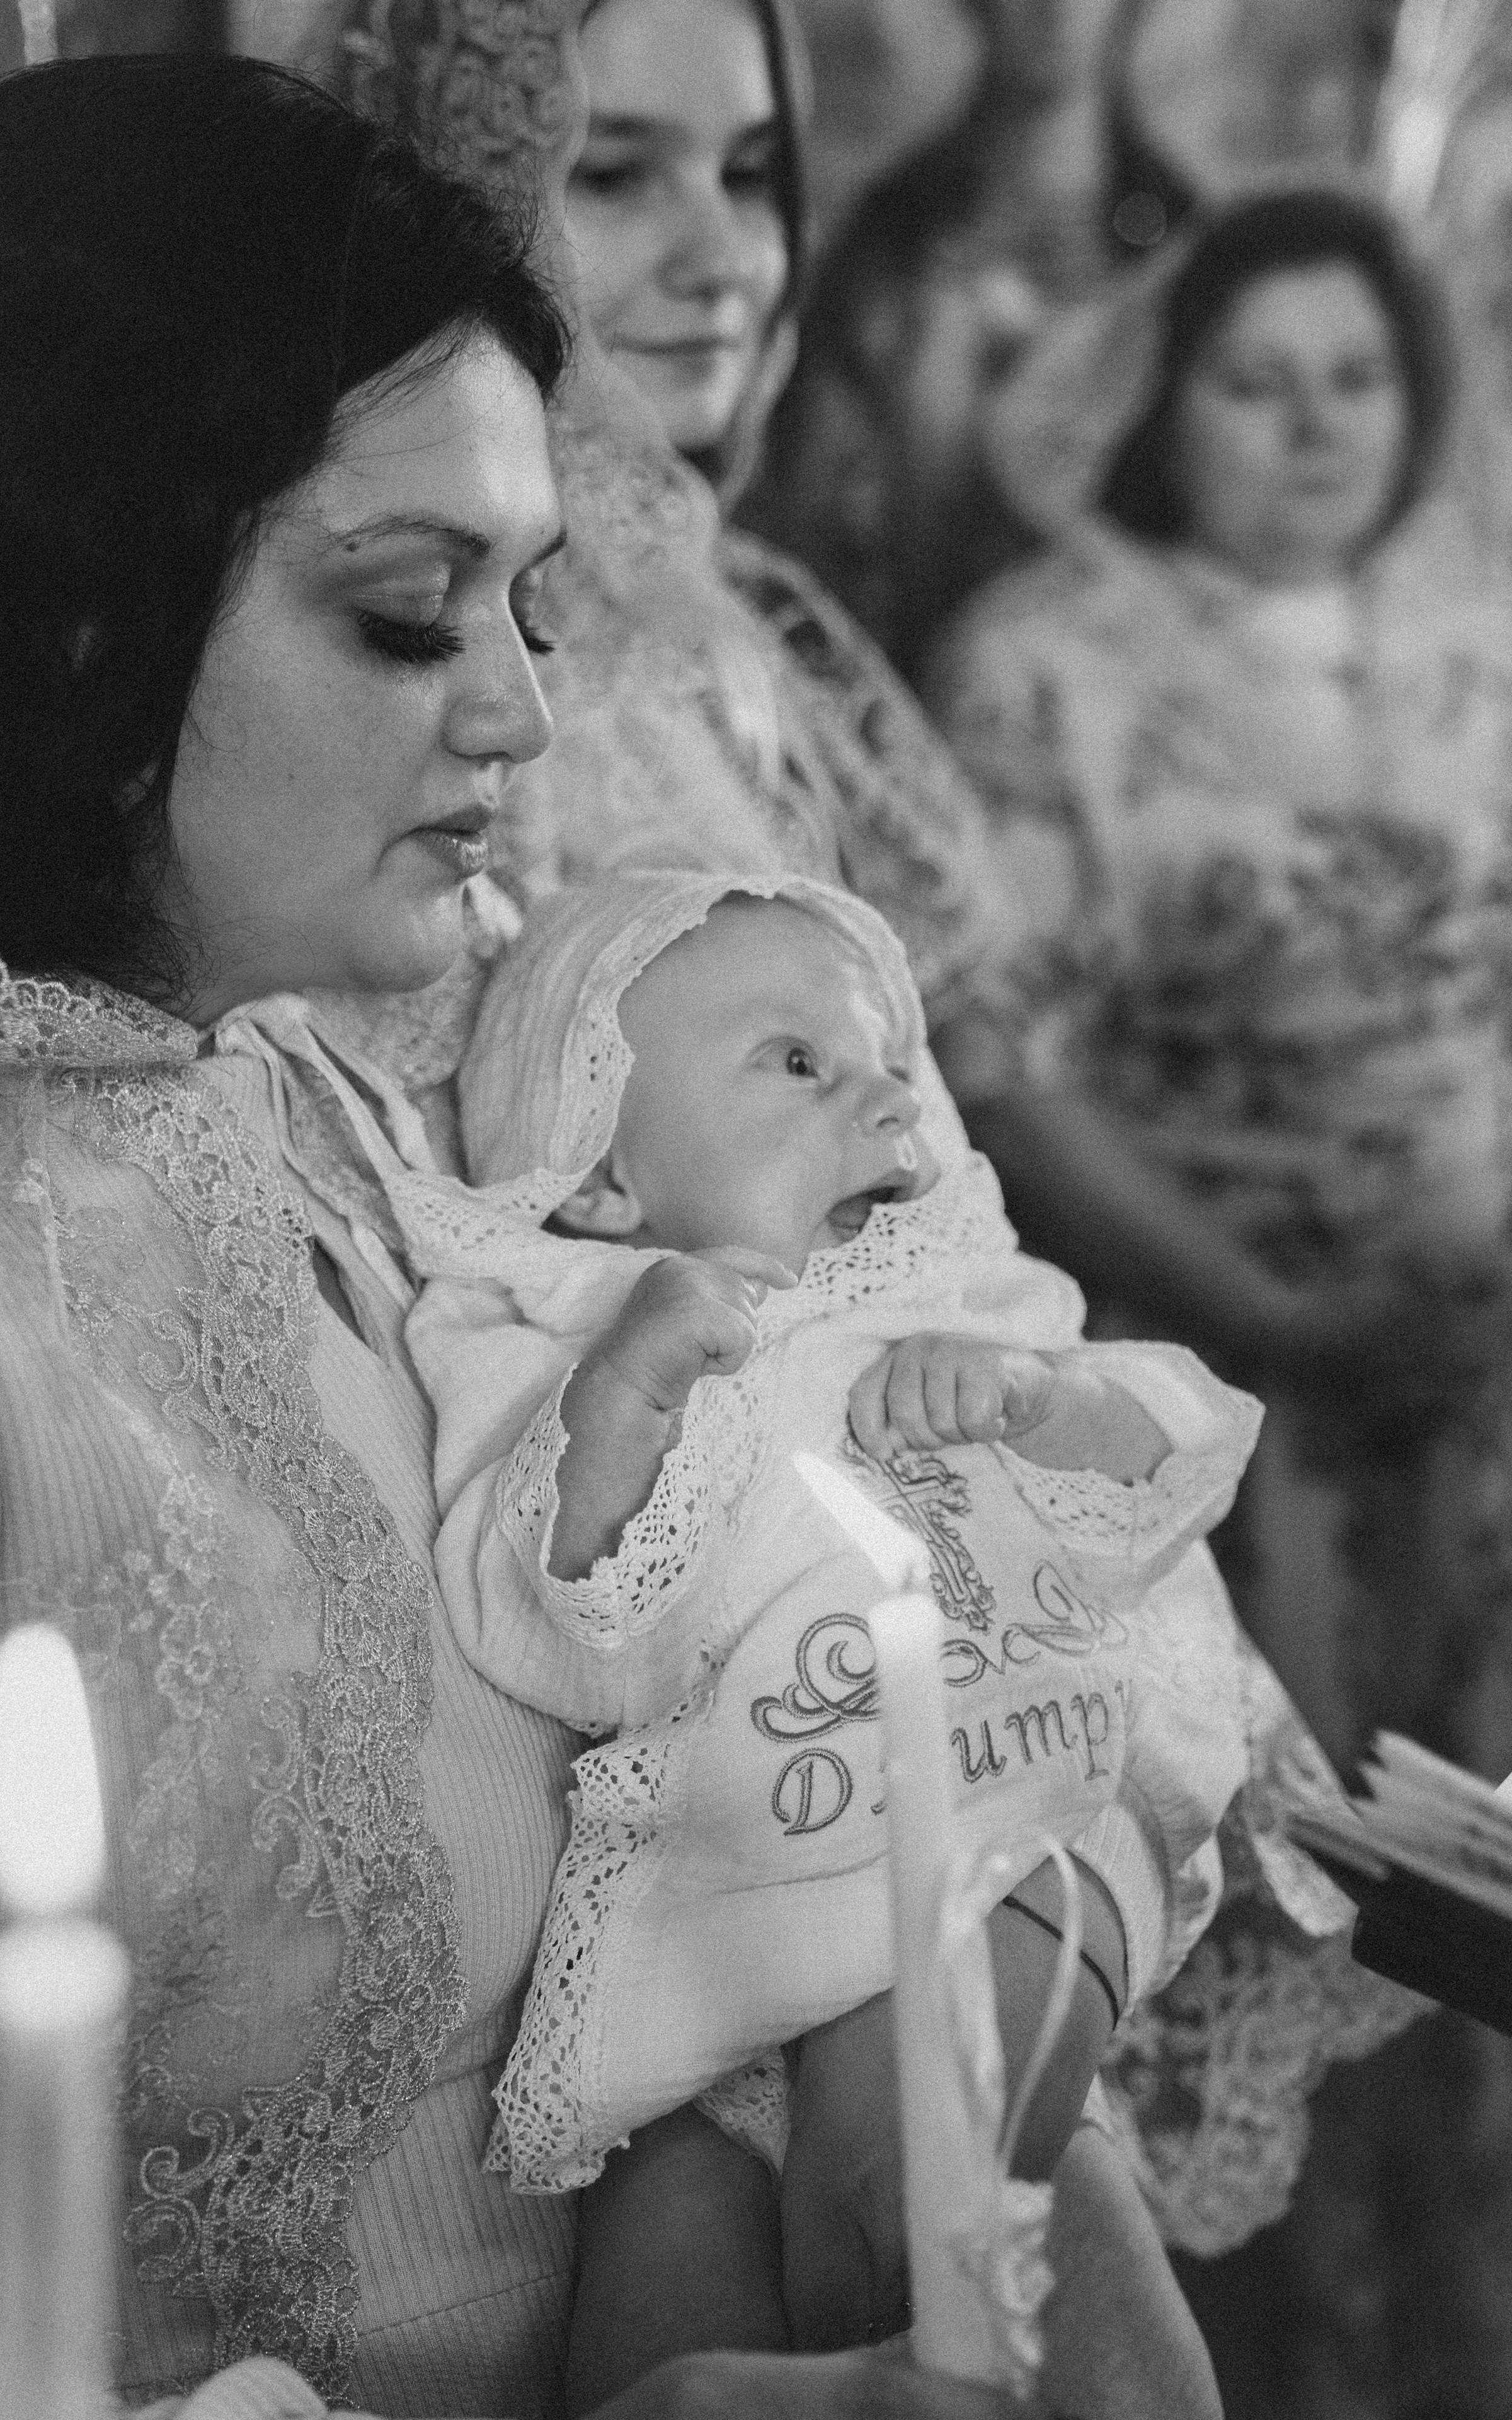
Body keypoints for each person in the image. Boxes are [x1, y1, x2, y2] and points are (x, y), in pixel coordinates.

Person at [0, 40, 1224, 2420]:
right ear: (78, 605)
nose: (520, 712)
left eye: (526, 600)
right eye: (410, 620)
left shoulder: (342, 1098)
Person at [413, 866, 1269, 2408]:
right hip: (727, 1915)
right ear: (600, 1177)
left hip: (1008, 1832)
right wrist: (620, 1401)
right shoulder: (549, 1328)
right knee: (661, 2309)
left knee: (936, 2164)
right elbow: (546, 1617)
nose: (882, 1097)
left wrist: (1039, 1400)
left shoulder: (965, 1290)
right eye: (795, 1061)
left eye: (888, 1061)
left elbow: (1172, 1462)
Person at [922, 182, 1512, 2418]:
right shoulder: (1047, 657)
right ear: (1169, 405)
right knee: (1319, 1936)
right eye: (1255, 385)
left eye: (1356, 380)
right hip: (1233, 1404)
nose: (1312, 431)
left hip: (1491, 1409)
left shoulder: (1478, 613)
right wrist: (1266, 1299)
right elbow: (1010, 1056)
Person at [738, 0, 1197, 685]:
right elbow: (808, 512)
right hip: (912, 670)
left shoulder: (1177, 241)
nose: (1055, 14)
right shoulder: (895, 244)